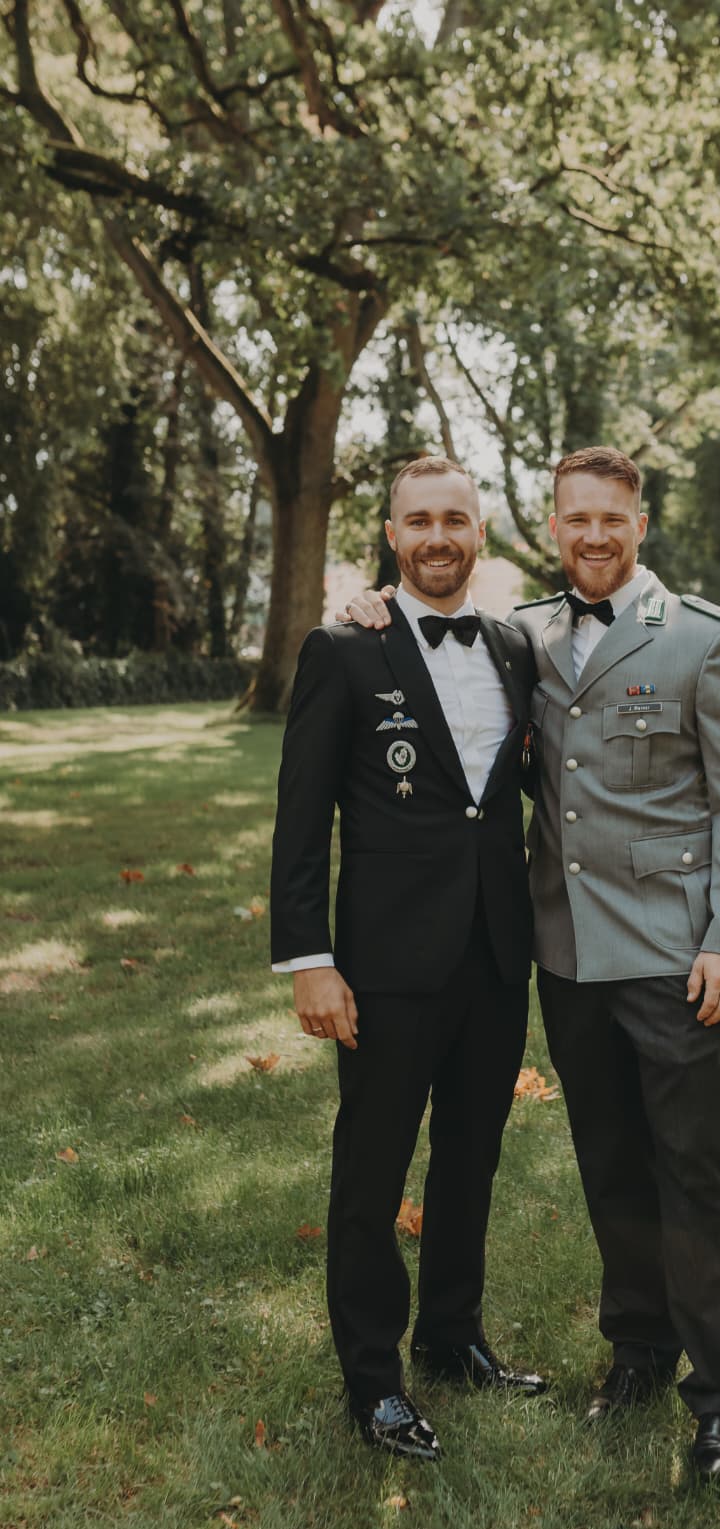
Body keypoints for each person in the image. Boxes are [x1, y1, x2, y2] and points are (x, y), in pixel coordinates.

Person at [343, 445, 720, 1484]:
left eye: (609, 520)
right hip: (567, 954)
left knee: (693, 1171)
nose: (591, 536)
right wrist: (365, 603)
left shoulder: (705, 642)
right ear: (550, 526)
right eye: (573, 519)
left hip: (675, 955)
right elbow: (424, 642)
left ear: (639, 523)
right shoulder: (525, 636)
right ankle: (638, 1348)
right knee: (610, 1161)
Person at [270, 456, 546, 1465]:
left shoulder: (516, 646)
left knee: (471, 1155)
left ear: (480, 533)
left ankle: (453, 1334)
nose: (438, 536)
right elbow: (300, 821)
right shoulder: (344, 647)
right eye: (418, 520)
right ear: (391, 534)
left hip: (492, 950)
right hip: (383, 961)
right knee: (372, 1168)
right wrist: (308, 958)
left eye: (456, 520)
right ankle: (374, 1379)